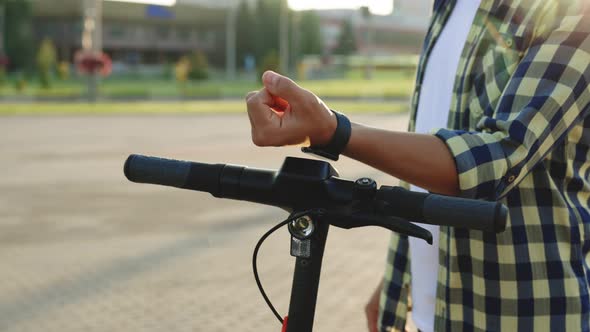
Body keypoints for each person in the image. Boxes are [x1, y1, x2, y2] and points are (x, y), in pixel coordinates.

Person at [245, 0, 590, 331]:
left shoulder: (574, 9)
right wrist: (398, 277)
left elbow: (497, 158)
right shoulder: (447, 7)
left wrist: (335, 132)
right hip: (432, 314)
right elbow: (424, 155)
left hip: (524, 316)